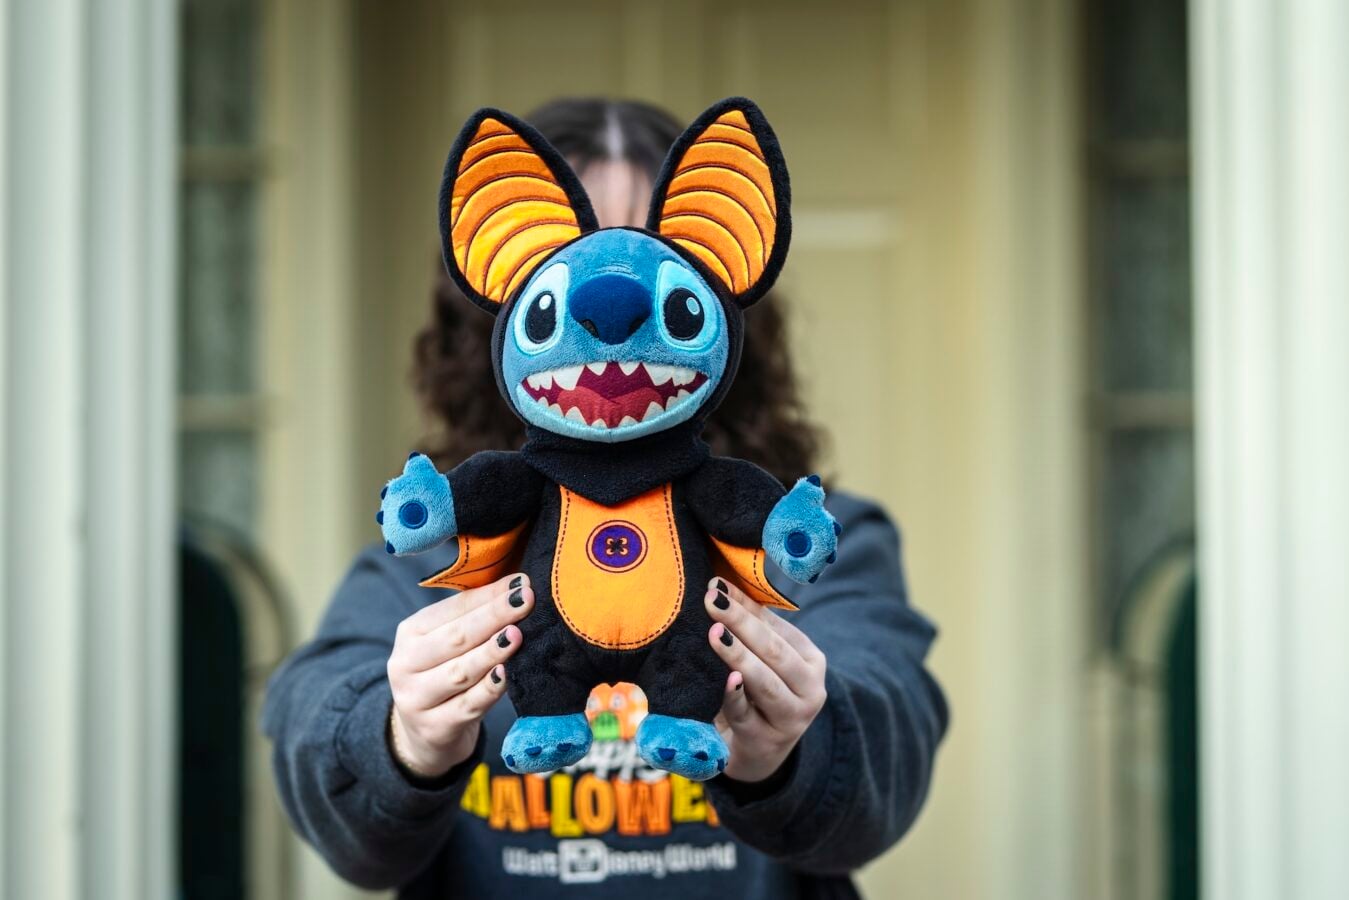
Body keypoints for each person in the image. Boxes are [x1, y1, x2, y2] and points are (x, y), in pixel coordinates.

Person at [263, 98, 947, 899]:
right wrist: (400, 736)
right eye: (579, 254)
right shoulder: (440, 553)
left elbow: (888, 746)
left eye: (651, 255)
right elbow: (315, 740)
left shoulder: (815, 540)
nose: (614, 309)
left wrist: (792, 749)